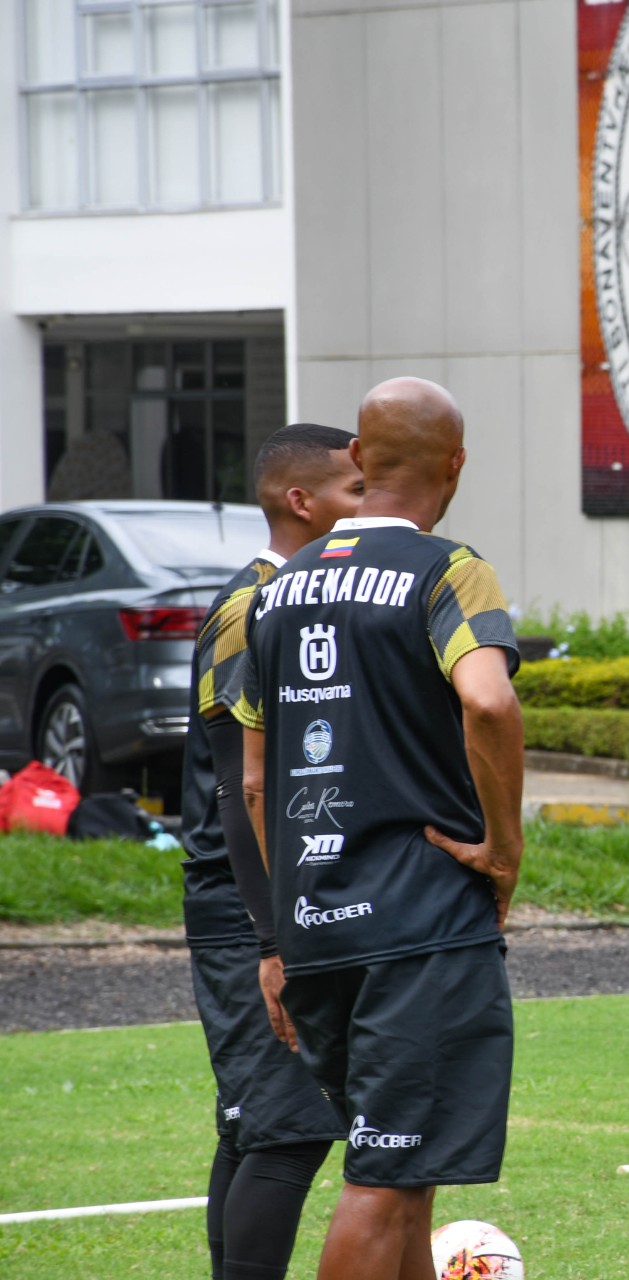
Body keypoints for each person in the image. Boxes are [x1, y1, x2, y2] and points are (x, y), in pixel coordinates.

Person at [234, 378, 524, 1280]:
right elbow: (487, 698)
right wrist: (502, 848)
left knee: (409, 1171)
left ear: (358, 458)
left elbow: (253, 783)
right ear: (457, 464)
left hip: (316, 924)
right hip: (419, 926)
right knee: (385, 1177)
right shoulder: (448, 569)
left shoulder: (272, 599)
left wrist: (283, 930)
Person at [187, 423, 361, 1280]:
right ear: (302, 502)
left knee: (259, 1123)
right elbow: (235, 786)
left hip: (276, 901)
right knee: (289, 1131)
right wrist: (270, 939)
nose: (369, 510)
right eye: (355, 493)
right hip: (246, 904)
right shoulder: (250, 607)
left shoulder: (305, 602)